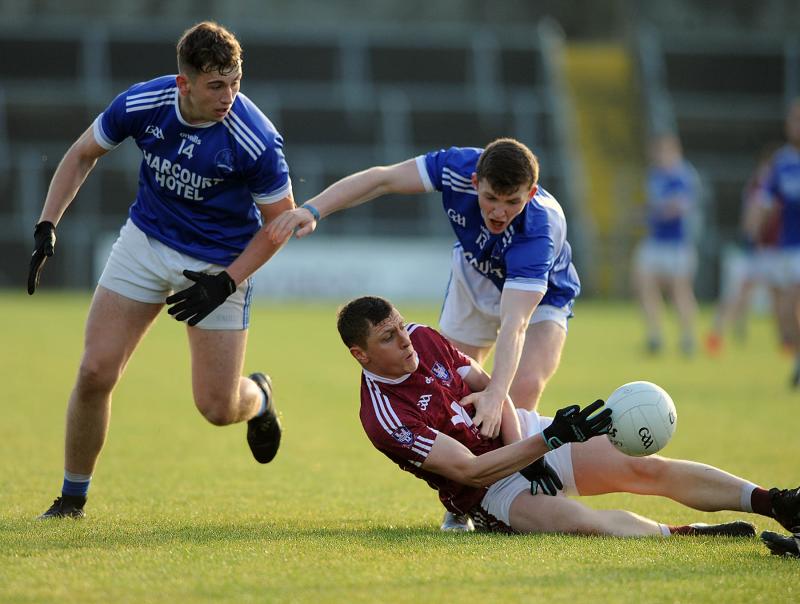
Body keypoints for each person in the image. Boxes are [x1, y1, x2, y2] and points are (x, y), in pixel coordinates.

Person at [27, 22, 293, 519]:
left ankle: (259, 397)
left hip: (220, 262)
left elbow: (281, 223)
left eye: (235, 81)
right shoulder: (143, 103)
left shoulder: (254, 139)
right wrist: (47, 223)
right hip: (145, 243)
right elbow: (82, 154)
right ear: (183, 83)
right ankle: (72, 499)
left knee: (216, 408)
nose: (229, 96)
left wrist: (228, 279)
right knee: (93, 370)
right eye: (216, 85)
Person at [261, 138, 579, 531]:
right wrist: (313, 209)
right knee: (453, 388)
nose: (499, 212)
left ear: (530, 194)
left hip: (542, 293)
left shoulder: (539, 229)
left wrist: (498, 394)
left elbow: (516, 324)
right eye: (491, 197)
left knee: (521, 387)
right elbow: (383, 180)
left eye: (512, 202)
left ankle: (515, 494)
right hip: (475, 276)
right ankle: (465, 499)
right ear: (475, 180)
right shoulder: (455, 168)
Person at [336, 295, 800, 537]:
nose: (406, 341)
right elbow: (472, 471)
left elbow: (488, 388)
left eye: (401, 326)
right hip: (492, 491)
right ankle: (686, 534)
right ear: (362, 355)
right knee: (581, 523)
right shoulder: (384, 417)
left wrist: (534, 445)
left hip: (528, 438)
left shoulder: (423, 336)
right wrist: (545, 445)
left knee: (644, 468)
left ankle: (773, 502)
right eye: (389, 338)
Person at [706, 144, 786, 355]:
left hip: (771, 251)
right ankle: (717, 335)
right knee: (743, 294)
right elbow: (751, 222)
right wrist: (755, 238)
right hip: (763, 252)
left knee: (778, 297)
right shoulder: (762, 188)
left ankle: (786, 340)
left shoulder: (761, 186)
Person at [632, 133, 701, 356]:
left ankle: (688, 337)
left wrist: (655, 212)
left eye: (663, 151)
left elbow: (679, 207)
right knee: (643, 281)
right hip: (656, 240)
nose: (659, 156)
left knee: (679, 290)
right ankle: (655, 334)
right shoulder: (654, 175)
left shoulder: (682, 175)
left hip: (678, 243)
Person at [752, 99, 800, 386]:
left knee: (793, 304)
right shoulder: (781, 162)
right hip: (785, 246)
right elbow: (766, 202)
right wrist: (756, 233)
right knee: (783, 315)